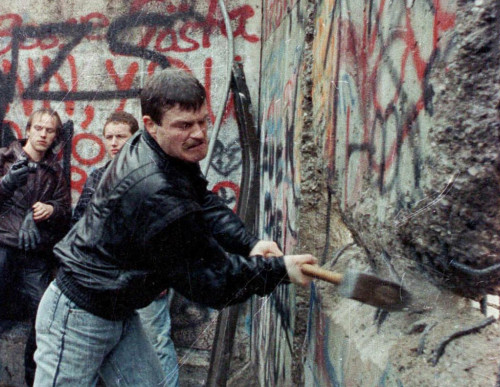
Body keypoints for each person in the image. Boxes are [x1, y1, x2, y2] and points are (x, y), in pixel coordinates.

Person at [33, 69, 315, 385]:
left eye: (202, 121)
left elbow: (201, 199)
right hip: (78, 316)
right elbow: (213, 281)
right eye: (184, 125)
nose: (198, 134)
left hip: (117, 307)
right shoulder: (154, 191)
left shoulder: (162, 147)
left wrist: (248, 243)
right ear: (151, 125)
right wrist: (281, 270)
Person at [0, 109, 71, 387]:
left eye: (50, 131)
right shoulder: (3, 157)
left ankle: (34, 381)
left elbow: (65, 212)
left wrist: (51, 210)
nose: (44, 135)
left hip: (31, 249)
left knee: (44, 315)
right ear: (29, 130)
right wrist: (7, 183)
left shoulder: (54, 170)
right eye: (39, 129)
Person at [72, 110, 180, 386]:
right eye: (108, 137)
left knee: (155, 343)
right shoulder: (98, 177)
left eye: (120, 136)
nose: (113, 142)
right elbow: (78, 222)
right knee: (103, 347)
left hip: (143, 278)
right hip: (103, 278)